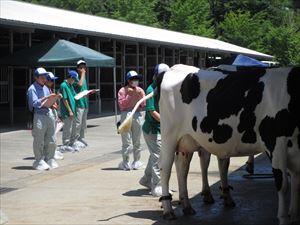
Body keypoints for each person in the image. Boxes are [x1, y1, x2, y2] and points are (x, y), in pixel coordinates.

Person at [139, 63, 170, 196]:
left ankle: (146, 179)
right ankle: (158, 186)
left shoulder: (166, 88)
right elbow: (152, 111)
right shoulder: (151, 89)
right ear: (157, 76)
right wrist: (167, 122)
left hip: (160, 129)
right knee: (159, 157)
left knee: (154, 156)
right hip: (152, 130)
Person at [27, 67, 59, 170]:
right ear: (36, 77)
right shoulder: (32, 88)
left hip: (48, 113)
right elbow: (34, 104)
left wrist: (53, 100)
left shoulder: (45, 88)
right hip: (39, 115)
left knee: (51, 138)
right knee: (39, 139)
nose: (44, 78)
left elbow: (48, 100)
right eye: (41, 76)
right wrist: (46, 98)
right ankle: (38, 160)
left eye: (44, 76)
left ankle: (49, 158)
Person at [117, 70, 146, 170]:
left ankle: (136, 161)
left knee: (137, 140)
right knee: (126, 141)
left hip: (137, 114)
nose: (136, 81)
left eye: (137, 79)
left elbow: (143, 105)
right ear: (129, 80)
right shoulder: (122, 90)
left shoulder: (140, 90)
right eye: (134, 79)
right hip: (126, 114)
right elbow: (122, 105)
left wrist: (139, 95)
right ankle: (126, 162)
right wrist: (129, 95)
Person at [45, 72, 64, 160]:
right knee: (50, 136)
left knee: (53, 135)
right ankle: (49, 153)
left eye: (53, 80)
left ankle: (52, 151)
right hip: (47, 114)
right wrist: (53, 103)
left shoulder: (49, 89)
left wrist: (56, 98)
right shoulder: (44, 89)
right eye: (51, 80)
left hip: (53, 113)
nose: (52, 82)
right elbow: (45, 103)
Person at [59, 70, 79, 151]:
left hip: (73, 109)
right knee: (68, 128)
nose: (74, 81)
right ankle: (65, 144)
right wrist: (70, 110)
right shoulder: (63, 85)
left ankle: (72, 143)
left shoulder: (70, 85)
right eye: (74, 79)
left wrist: (84, 94)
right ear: (70, 78)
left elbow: (75, 95)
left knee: (73, 127)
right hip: (67, 111)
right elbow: (64, 99)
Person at [74, 60, 89, 147]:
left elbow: (83, 89)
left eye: (84, 66)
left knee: (83, 123)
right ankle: (75, 139)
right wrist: (83, 74)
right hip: (79, 104)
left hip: (85, 103)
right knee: (78, 123)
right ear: (78, 68)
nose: (83, 68)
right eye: (81, 67)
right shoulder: (75, 77)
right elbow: (79, 85)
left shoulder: (84, 77)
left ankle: (81, 138)